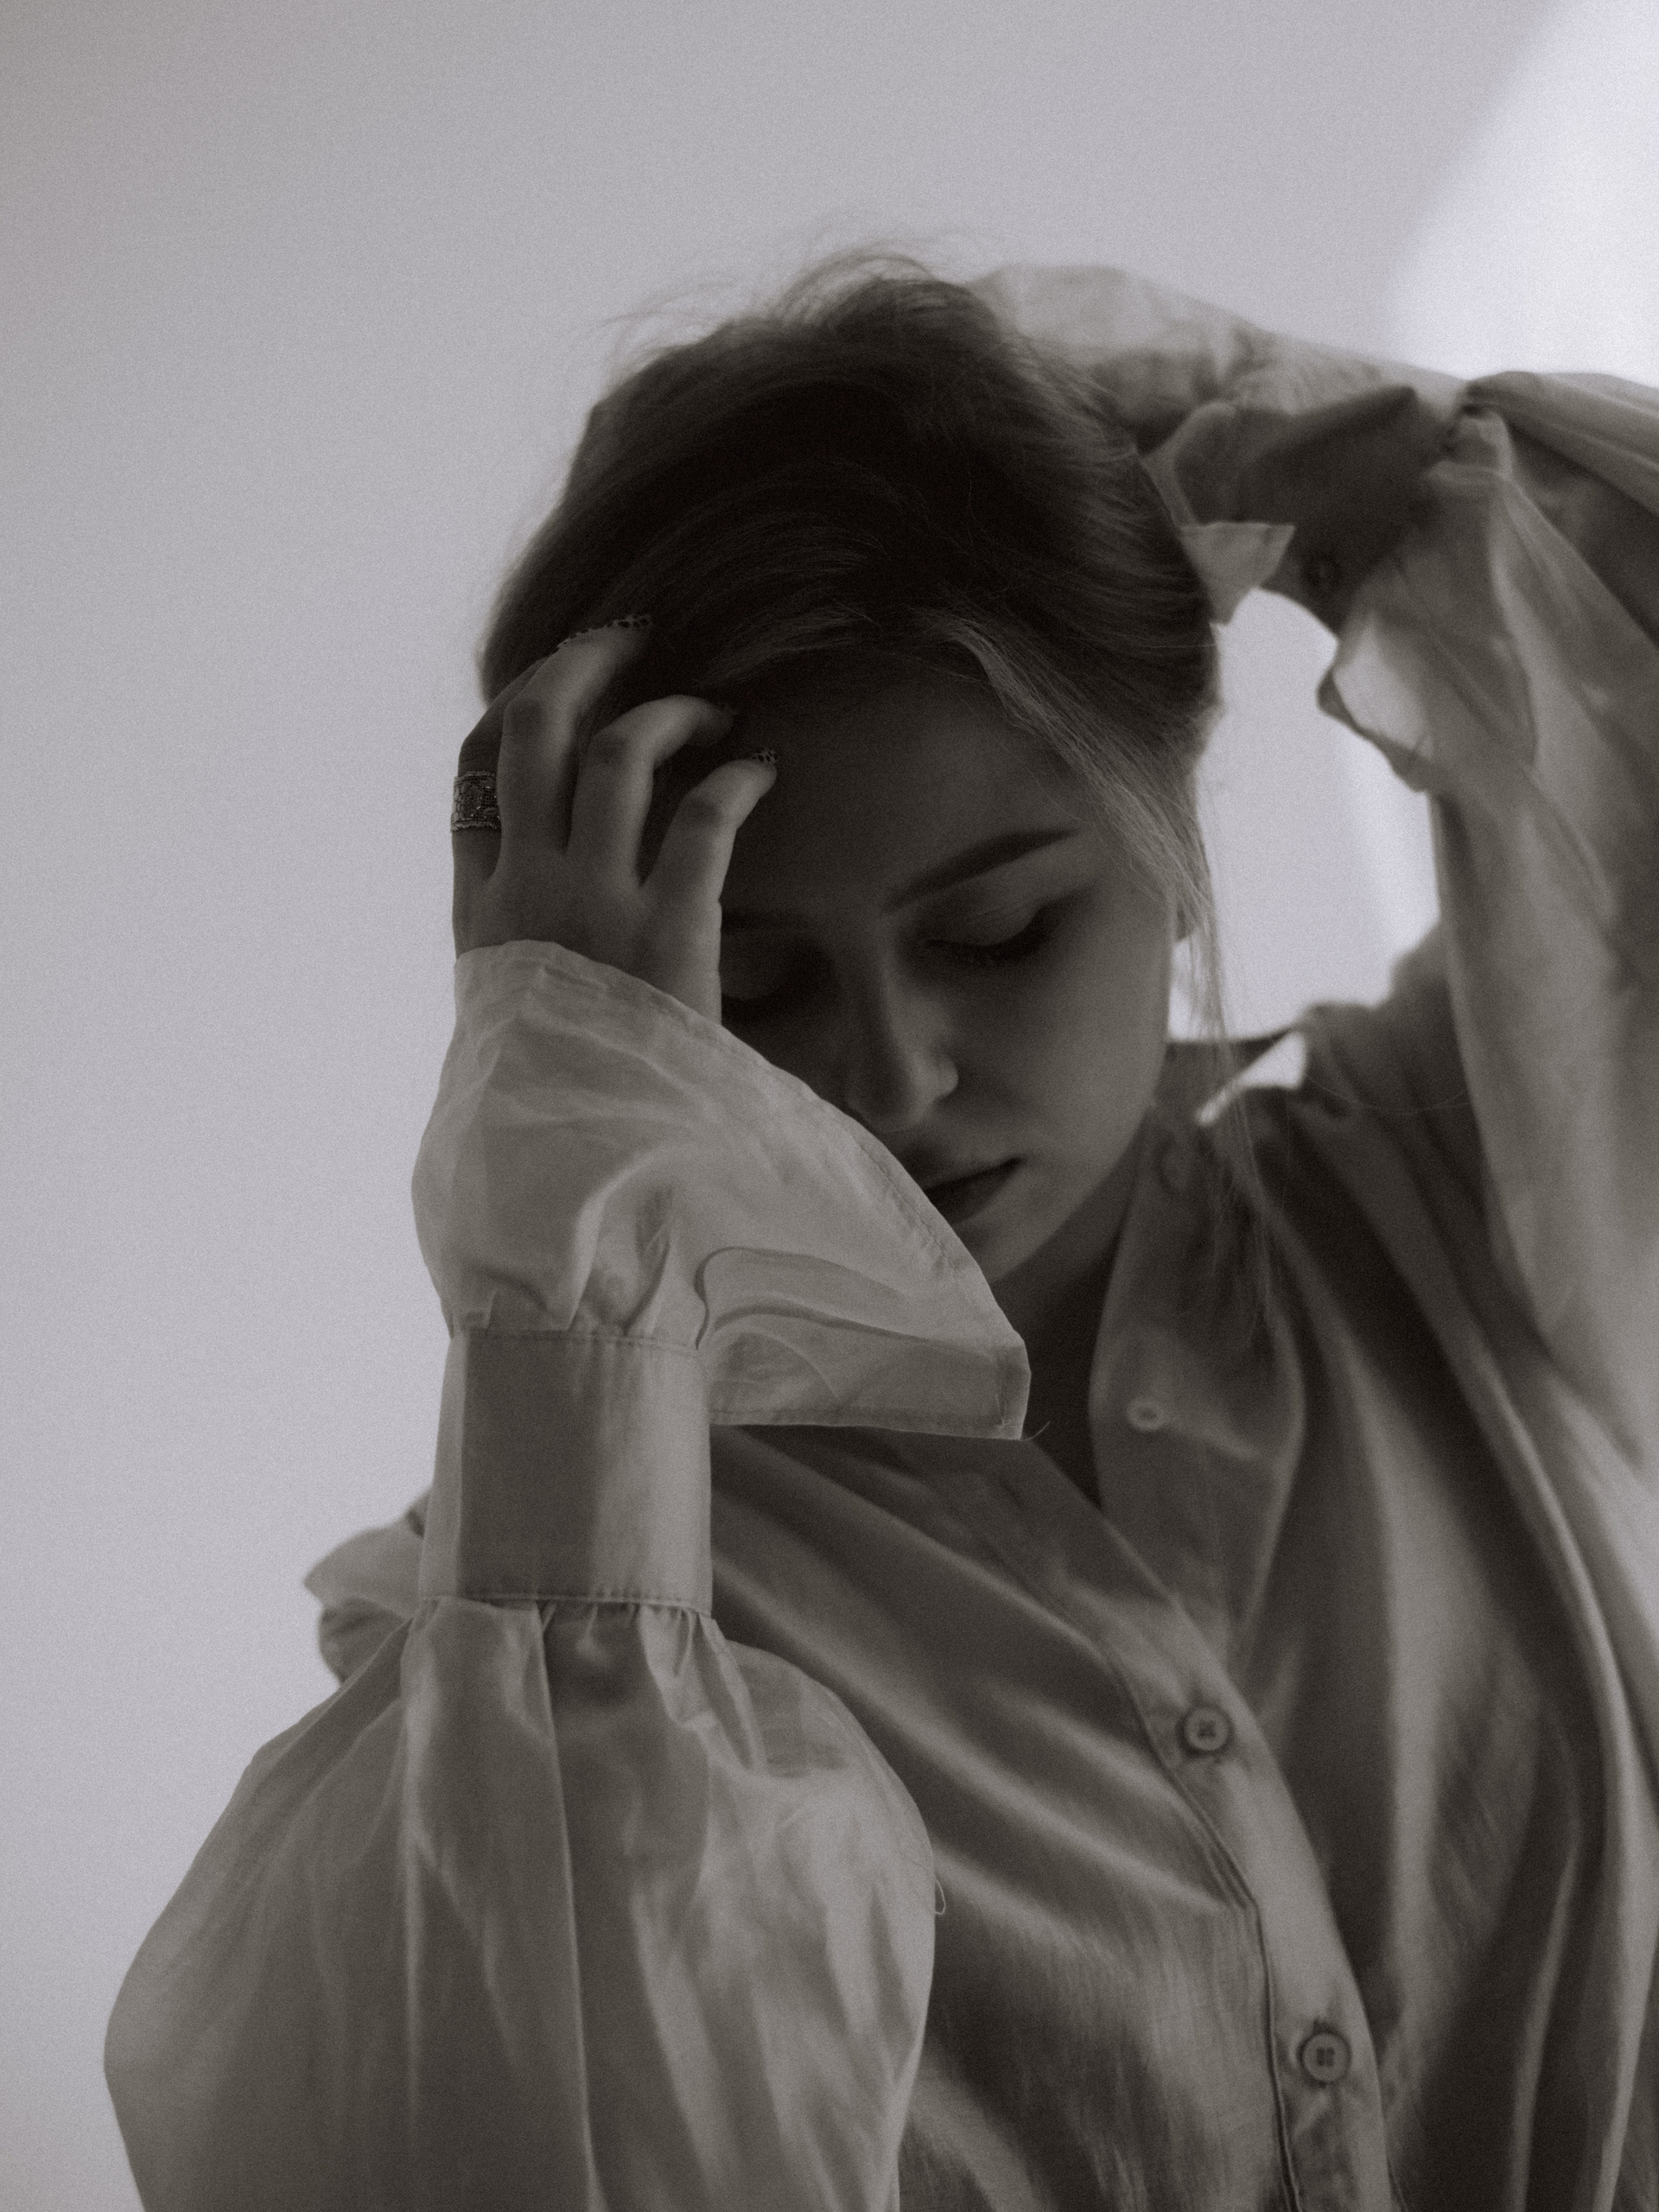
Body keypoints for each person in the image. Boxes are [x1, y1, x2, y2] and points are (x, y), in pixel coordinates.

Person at [104, 250, 1659, 2211]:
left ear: (1175, 846)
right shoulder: (537, 1609)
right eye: (754, 982)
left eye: (1001, 931)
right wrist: (576, 1244)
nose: (898, 1078)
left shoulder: (1461, 1180)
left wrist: (1332, 463)